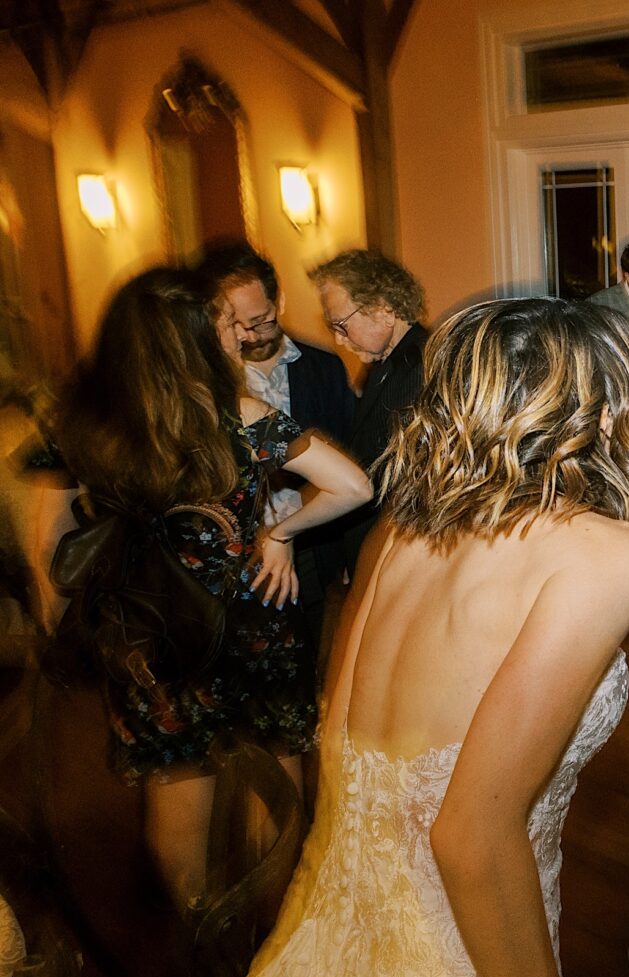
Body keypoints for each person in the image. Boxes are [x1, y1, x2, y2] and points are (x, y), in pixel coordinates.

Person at [204, 298, 629, 977]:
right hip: (461, 964)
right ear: (600, 405)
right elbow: (469, 837)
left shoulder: (401, 528)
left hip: (330, 937)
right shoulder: (606, 556)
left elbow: (337, 743)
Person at [32, 268, 372, 908]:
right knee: (274, 783)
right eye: (221, 322)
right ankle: (271, 933)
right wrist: (282, 534)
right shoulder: (244, 417)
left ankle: (197, 945)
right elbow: (353, 486)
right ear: (191, 341)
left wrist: (57, 624)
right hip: (253, 624)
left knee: (176, 785)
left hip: (152, 639)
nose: (237, 331)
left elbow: (52, 538)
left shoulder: (86, 424)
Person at [199, 243, 356, 652]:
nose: (250, 336)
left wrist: (340, 556)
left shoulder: (324, 368)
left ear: (279, 300)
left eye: (261, 320)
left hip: (311, 546)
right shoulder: (211, 386)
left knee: (313, 658)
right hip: (234, 557)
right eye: (237, 325)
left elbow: (351, 458)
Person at [309, 249, 428, 570]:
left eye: (341, 324)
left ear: (384, 310)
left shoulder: (418, 365)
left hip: (398, 555)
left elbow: (388, 473)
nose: (337, 338)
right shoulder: (386, 362)